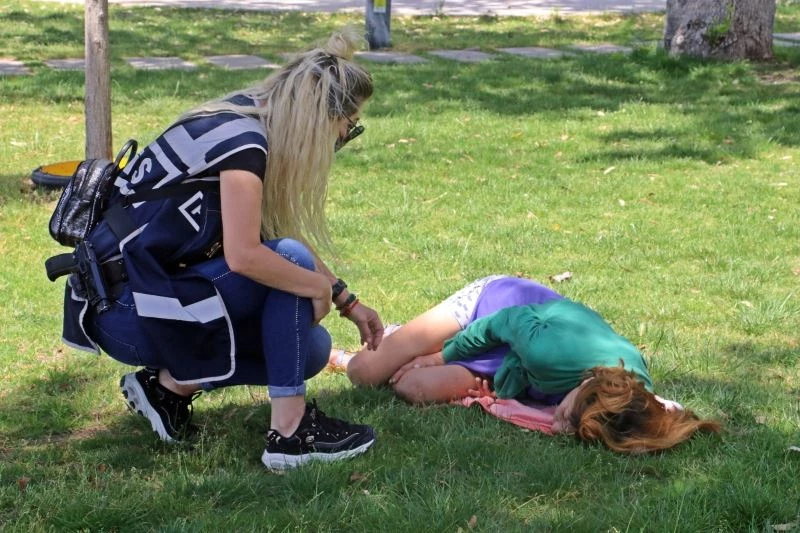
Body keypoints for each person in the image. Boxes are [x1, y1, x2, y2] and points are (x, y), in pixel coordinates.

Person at [58, 28, 384, 469]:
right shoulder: (246, 147)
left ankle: (167, 390)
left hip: (125, 301)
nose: (340, 142)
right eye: (348, 129)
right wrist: (316, 288)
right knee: (290, 263)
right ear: (320, 117)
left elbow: (268, 229)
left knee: (312, 350)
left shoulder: (238, 118)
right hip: (127, 313)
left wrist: (347, 300)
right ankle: (290, 435)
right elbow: (247, 256)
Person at [334, 275, 721, 453]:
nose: (555, 425)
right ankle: (373, 347)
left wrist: (506, 387)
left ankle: (407, 349)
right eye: (565, 417)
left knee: (411, 387)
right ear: (585, 389)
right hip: (492, 311)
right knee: (366, 374)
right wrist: (438, 355)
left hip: (518, 355)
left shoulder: (633, 394)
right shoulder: (551, 357)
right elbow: (500, 324)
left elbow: (662, 414)